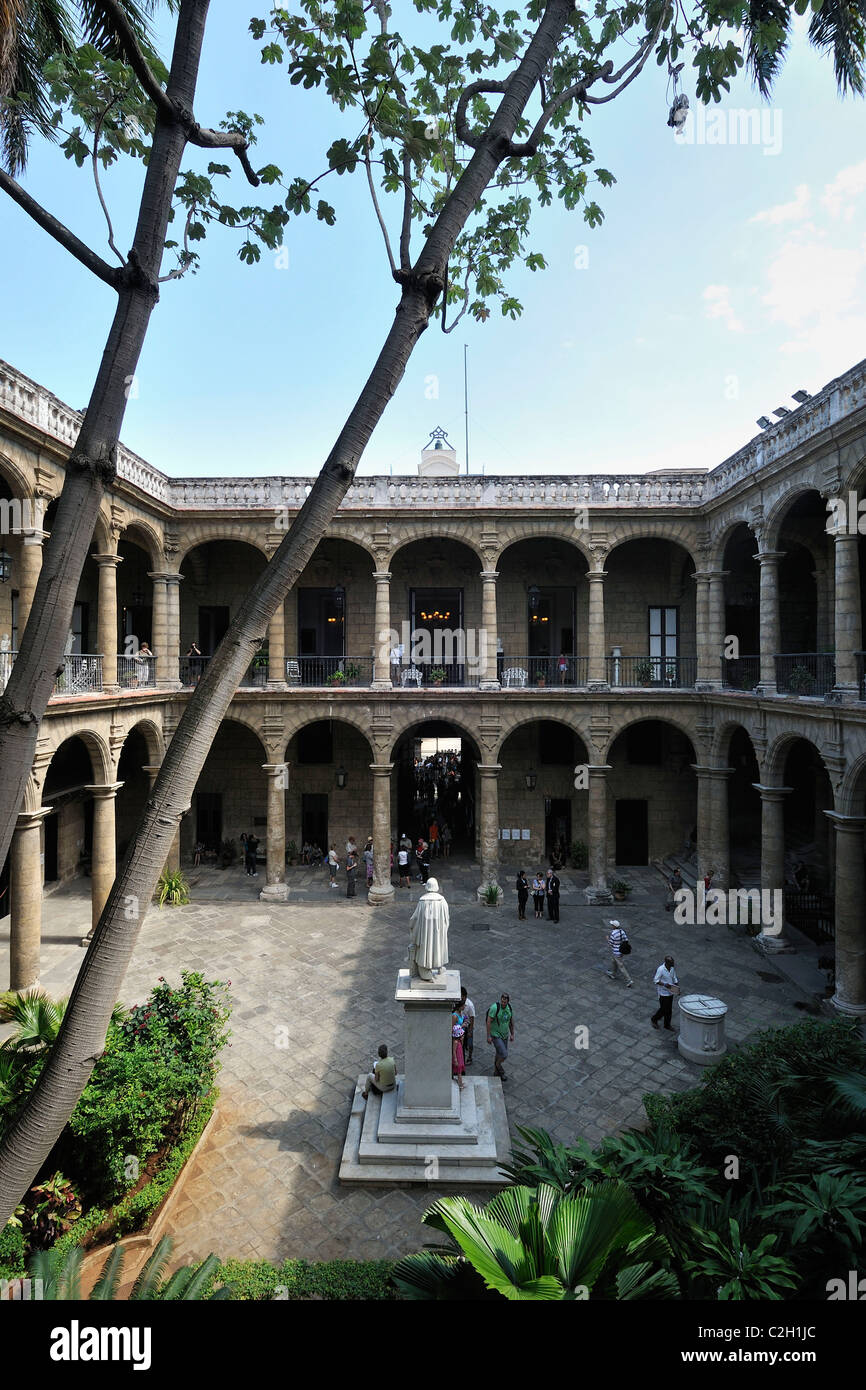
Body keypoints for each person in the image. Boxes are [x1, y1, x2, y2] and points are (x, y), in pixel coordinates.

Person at [407, 877, 449, 981]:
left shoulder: (422, 901)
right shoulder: (442, 901)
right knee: (438, 948)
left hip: (425, 934)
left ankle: (426, 970)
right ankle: (439, 967)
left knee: (426, 950)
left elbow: (415, 918)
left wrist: (411, 925)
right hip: (438, 932)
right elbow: (446, 919)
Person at [487, 992, 514, 1081]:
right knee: (504, 1054)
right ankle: (500, 1068)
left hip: (505, 1035)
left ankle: (496, 1072)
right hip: (495, 1035)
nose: (503, 1003)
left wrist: (512, 1034)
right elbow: (488, 1021)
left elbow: (511, 1021)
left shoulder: (509, 1008)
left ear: (507, 1002)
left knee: (499, 1053)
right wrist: (488, 1036)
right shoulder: (495, 1008)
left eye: (504, 1002)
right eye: (502, 1001)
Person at [651, 955, 680, 1031]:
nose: (673, 964)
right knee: (663, 1009)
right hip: (663, 993)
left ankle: (667, 1025)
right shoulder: (661, 969)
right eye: (672, 963)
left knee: (669, 1009)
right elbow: (656, 980)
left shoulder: (672, 968)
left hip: (671, 991)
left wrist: (677, 986)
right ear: (667, 963)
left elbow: (674, 977)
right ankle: (654, 1019)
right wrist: (664, 984)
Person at [605, 919, 633, 987]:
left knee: (621, 966)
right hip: (621, 951)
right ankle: (613, 974)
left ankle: (629, 980)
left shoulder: (613, 933)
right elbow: (626, 940)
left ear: (614, 926)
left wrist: (607, 939)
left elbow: (611, 944)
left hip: (616, 952)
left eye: (612, 925)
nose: (611, 925)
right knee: (613, 961)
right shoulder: (622, 932)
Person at [459, 985, 476, 1066]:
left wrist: (470, 1030)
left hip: (468, 1025)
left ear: (465, 996)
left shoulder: (470, 1005)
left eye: (462, 996)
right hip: (460, 1024)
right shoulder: (458, 1002)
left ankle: (469, 1057)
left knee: (470, 1043)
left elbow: (472, 1018)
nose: (461, 998)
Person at [451, 1019, 466, 1090]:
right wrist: (455, 1060)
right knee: (459, 1073)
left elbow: (462, 1046)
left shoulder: (459, 1041)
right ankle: (460, 1085)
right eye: (462, 1035)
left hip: (460, 1058)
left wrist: (462, 1040)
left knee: (459, 1072)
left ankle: (460, 1083)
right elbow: (454, 1051)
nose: (463, 1036)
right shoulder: (455, 1042)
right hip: (457, 1058)